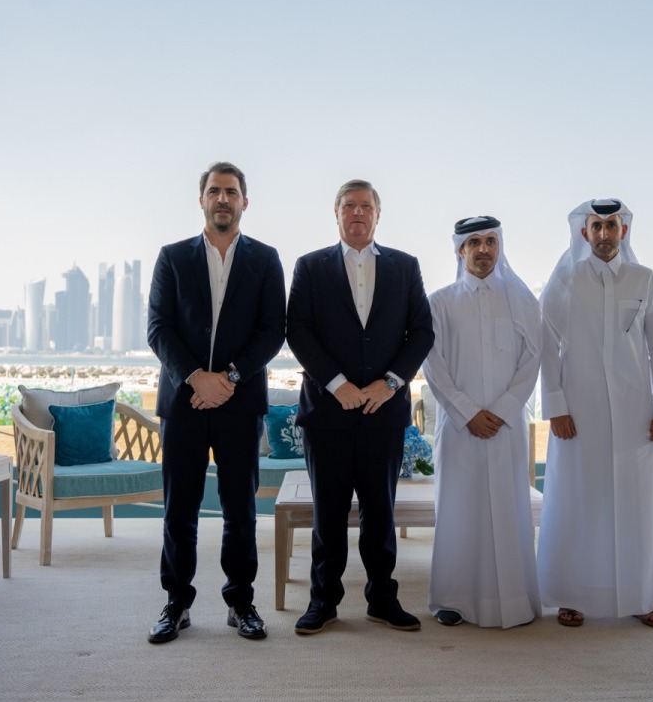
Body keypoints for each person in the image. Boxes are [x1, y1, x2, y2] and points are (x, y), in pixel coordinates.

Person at [286, 179, 435, 635]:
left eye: (365, 206)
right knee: (328, 515)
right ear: (336, 214)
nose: (357, 212)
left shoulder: (405, 267)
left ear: (377, 215)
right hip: (327, 413)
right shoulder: (310, 267)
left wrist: (389, 384)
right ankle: (323, 601)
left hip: (384, 412)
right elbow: (299, 330)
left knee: (379, 513)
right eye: (348, 205)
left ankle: (382, 600)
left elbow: (421, 332)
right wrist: (338, 385)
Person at [146, 161, 286, 643]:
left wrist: (226, 377)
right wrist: (194, 378)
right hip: (183, 402)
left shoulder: (266, 259)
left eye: (231, 192)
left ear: (245, 202)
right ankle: (176, 603)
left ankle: (241, 602)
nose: (222, 199)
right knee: (178, 509)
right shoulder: (172, 257)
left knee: (239, 509)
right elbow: (158, 328)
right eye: (214, 191)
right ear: (201, 200)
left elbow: (273, 330)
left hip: (240, 401)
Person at [538, 198, 653, 629]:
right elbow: (546, 345)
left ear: (624, 231)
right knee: (578, 501)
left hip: (638, 416)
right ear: (584, 233)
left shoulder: (645, 279)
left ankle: (644, 595)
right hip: (578, 415)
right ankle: (570, 596)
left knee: (639, 505)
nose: (603, 234)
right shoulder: (565, 279)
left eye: (611, 226)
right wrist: (556, 406)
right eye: (596, 227)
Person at [422, 216, 542, 628]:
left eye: (491, 241)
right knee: (459, 510)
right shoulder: (440, 301)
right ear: (460, 250)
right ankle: (453, 600)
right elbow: (433, 365)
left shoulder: (522, 300)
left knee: (509, 511)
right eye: (474, 242)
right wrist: (467, 412)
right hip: (460, 428)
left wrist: (505, 408)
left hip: (506, 427)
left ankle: (513, 599)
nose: (484, 249)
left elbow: (533, 360)